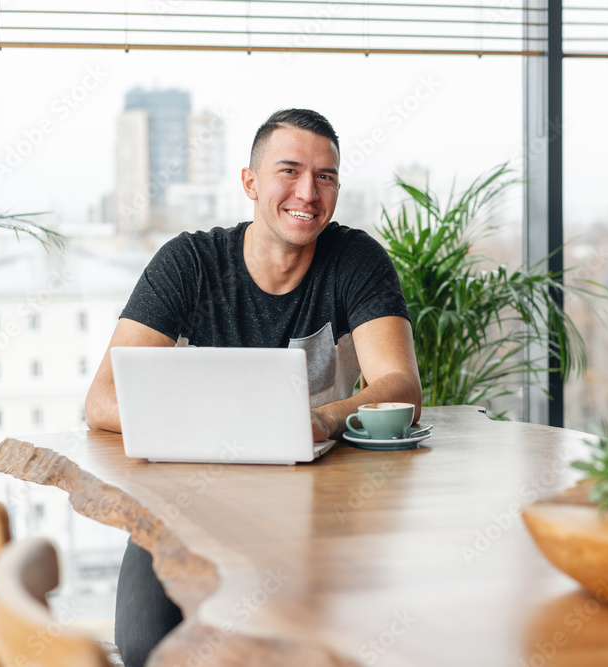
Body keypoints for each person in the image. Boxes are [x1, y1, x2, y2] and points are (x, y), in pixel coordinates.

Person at [84, 108, 422, 666]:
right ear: (250, 182)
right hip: (186, 501)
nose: (308, 193)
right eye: (288, 171)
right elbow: (102, 401)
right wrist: (242, 429)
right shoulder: (189, 262)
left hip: (317, 508)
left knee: (323, 641)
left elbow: (400, 387)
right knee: (145, 644)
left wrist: (323, 418)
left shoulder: (356, 260)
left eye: (326, 176)